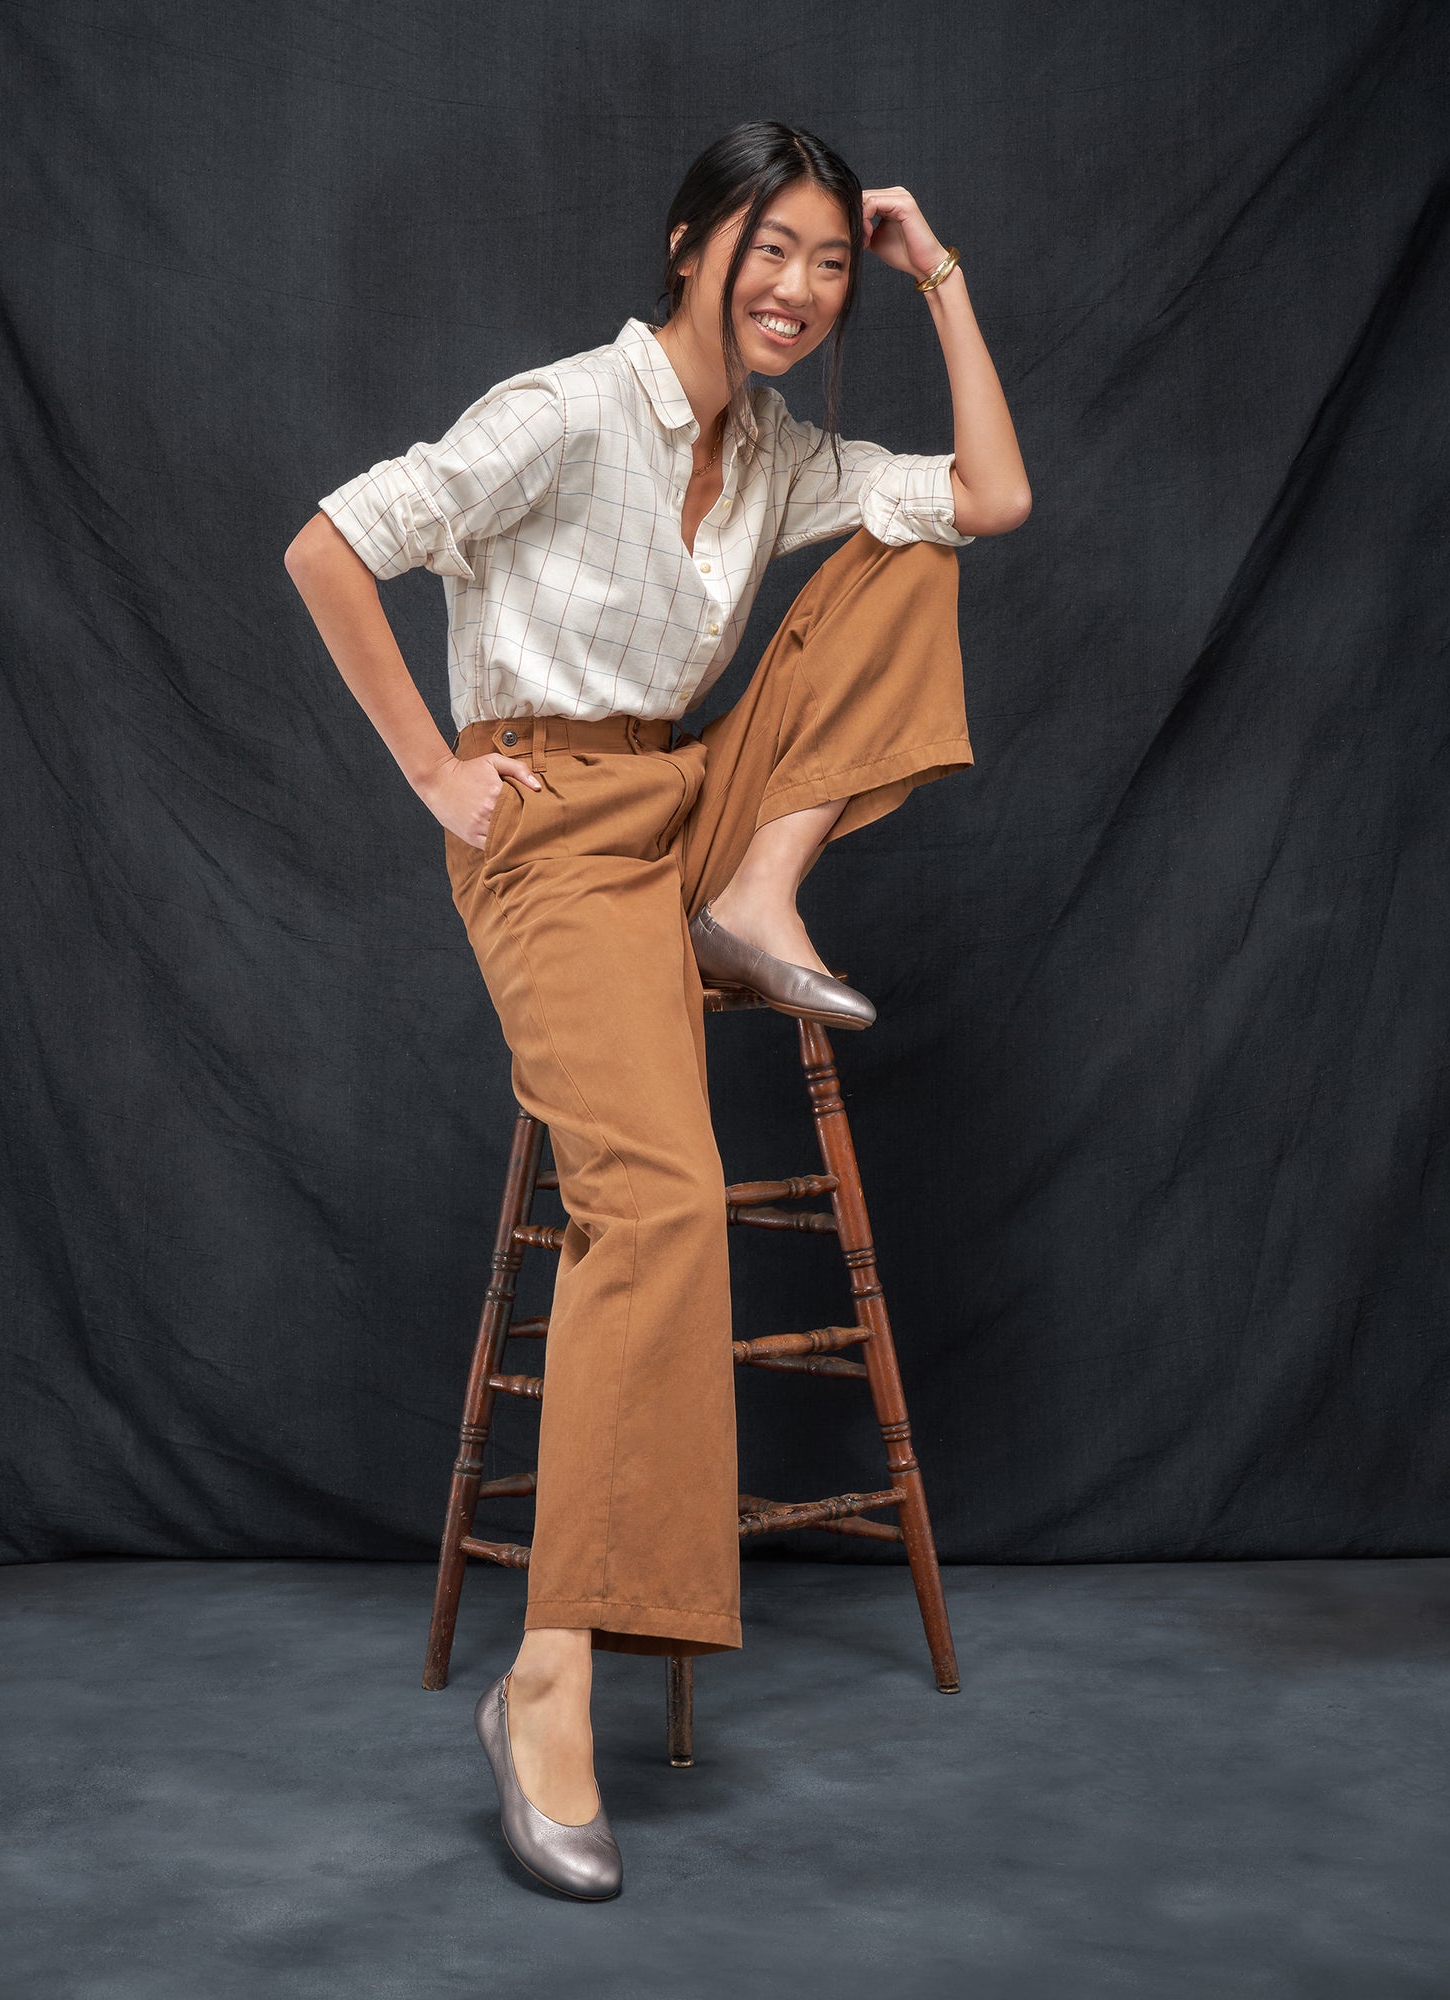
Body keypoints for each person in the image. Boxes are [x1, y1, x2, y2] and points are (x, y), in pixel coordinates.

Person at [285, 120, 1031, 1899]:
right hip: (551, 834)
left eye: (831, 264)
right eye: (772, 249)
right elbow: (329, 547)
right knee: (662, 1205)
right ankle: (552, 1679)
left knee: (913, 555)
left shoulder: (778, 452)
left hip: (690, 802)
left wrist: (944, 280)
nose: (798, 288)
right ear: (693, 244)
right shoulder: (559, 410)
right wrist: (439, 781)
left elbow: (992, 500)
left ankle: (760, 892)